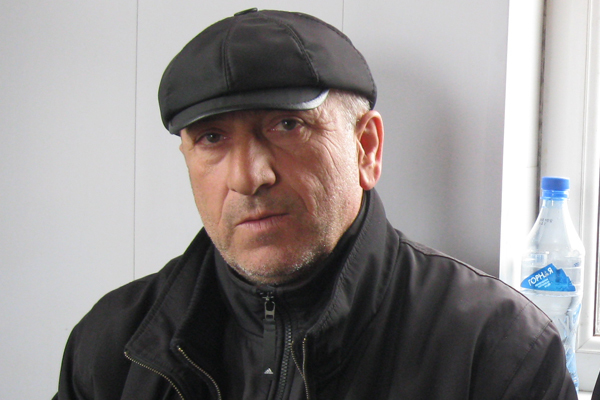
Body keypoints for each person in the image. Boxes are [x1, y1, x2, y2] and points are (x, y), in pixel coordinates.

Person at [54, 8, 577, 400]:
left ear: (366, 148)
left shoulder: (498, 347)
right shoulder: (112, 345)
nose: (249, 177)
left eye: (287, 126)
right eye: (212, 138)